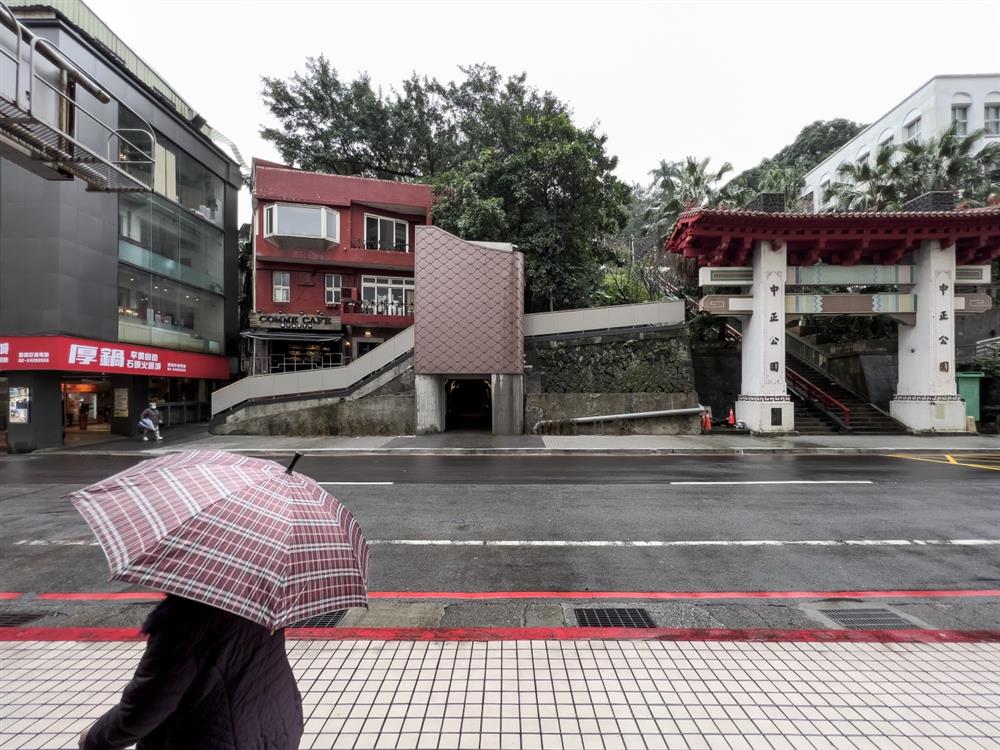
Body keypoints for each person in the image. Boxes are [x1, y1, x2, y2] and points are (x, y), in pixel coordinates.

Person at [78, 594, 303, 750]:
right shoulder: (259, 600)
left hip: (215, 739)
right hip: (277, 723)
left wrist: (95, 737)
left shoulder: (183, 622)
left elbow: (147, 705)